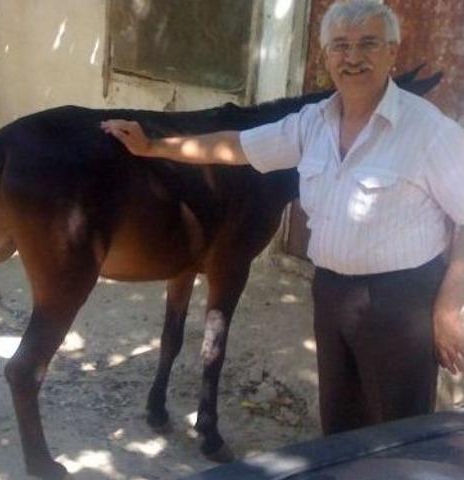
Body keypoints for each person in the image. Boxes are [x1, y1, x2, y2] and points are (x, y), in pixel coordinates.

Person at [102, 0, 464, 435]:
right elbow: (233, 147)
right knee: (340, 426)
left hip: (401, 301)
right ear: (327, 54)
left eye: (367, 44)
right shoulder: (313, 122)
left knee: (399, 430)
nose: (352, 57)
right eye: (340, 46)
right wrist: (155, 147)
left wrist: (448, 307)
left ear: (392, 51)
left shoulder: (428, 130)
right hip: (331, 292)